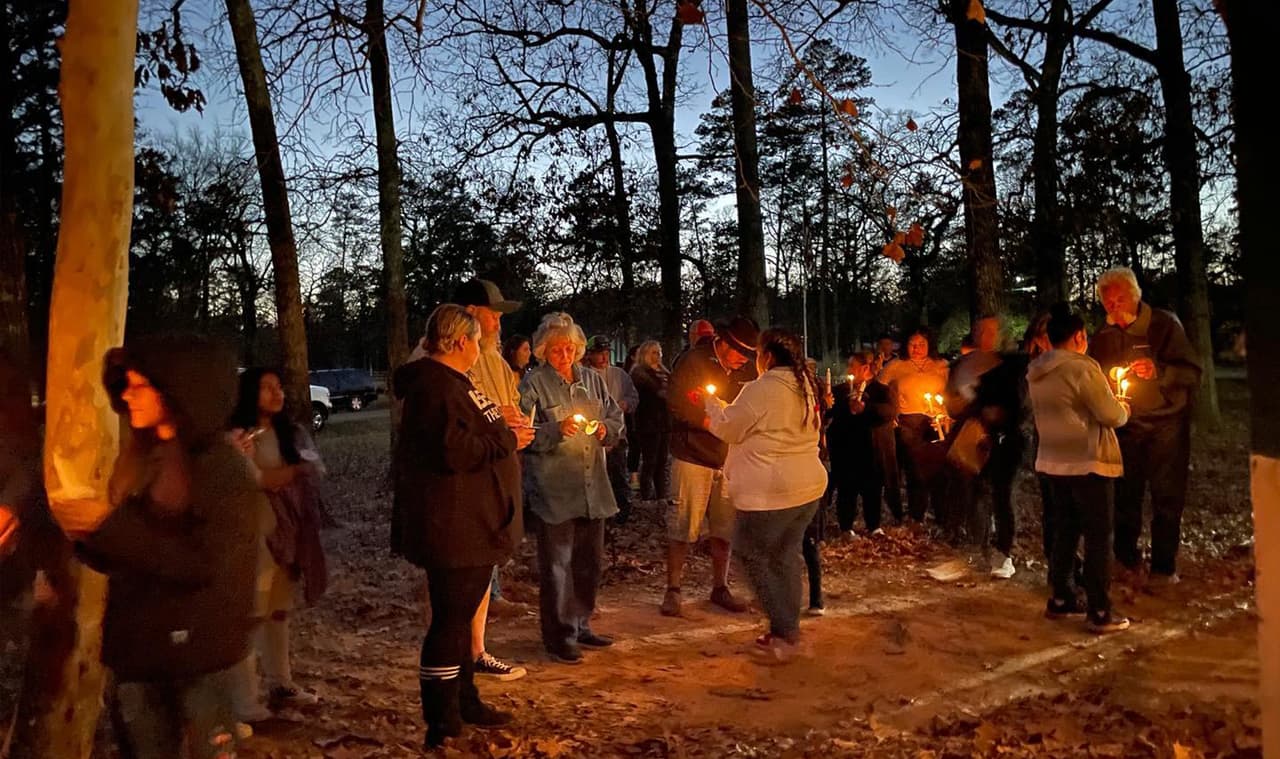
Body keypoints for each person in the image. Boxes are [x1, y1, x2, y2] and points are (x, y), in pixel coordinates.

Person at [70, 335, 260, 758]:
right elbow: (134, 550)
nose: (128, 395)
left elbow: (201, 562)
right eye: (126, 385)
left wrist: (108, 528)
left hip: (197, 659)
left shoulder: (221, 470)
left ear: (179, 391)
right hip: (140, 655)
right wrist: (86, 535)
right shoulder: (145, 459)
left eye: (140, 386)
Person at [391, 304, 534, 747]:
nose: (479, 347)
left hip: (475, 522)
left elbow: (469, 434)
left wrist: (503, 427)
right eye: (476, 340)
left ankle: (466, 700)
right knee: (450, 622)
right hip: (454, 527)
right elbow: (454, 450)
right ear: (459, 341)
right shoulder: (435, 387)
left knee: (460, 619)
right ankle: (442, 720)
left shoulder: (456, 383)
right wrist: (507, 439)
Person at [700, 328, 828, 660]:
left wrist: (712, 407)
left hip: (772, 491)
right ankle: (788, 629)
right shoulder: (805, 386)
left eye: (757, 354)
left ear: (767, 356)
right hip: (806, 488)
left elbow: (730, 428)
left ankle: (783, 633)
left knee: (751, 553)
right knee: (784, 556)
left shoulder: (762, 388)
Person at [518, 313, 624, 664]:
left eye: (569, 348)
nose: (564, 355)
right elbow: (522, 433)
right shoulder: (533, 384)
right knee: (557, 566)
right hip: (555, 489)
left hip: (593, 488)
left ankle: (581, 623)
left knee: (588, 562)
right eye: (556, 349)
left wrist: (606, 430)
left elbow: (615, 417)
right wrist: (554, 430)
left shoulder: (592, 380)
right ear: (543, 351)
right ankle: (559, 635)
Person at [1088, 267, 1201, 586]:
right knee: (1125, 495)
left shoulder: (1164, 325)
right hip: (1126, 425)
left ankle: (1163, 567)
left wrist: (1159, 372)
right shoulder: (1105, 336)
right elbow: (1094, 374)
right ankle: (1126, 559)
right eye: (1108, 303)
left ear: (1135, 296)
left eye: (1120, 299)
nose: (1115, 307)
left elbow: (1192, 372)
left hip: (1167, 423)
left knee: (1167, 496)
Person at [228, 367, 328, 716]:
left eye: (279, 386)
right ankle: (245, 698)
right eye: (267, 387)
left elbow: (314, 470)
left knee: (280, 609)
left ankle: (281, 682)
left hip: (288, 534)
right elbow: (259, 480)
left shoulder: (290, 434)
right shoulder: (238, 438)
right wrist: (296, 471)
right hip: (254, 536)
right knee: (252, 614)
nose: (277, 393)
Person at [1027, 304, 1131, 634]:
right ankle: (1100, 609)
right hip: (1087, 461)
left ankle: (1062, 596)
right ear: (1078, 336)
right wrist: (1124, 407)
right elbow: (1109, 414)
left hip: (1054, 459)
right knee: (1098, 536)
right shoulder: (1082, 368)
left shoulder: (1036, 370)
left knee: (1066, 530)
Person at [453, 278, 528, 681]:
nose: (498, 323)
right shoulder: (443, 363)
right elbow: (456, 425)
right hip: (463, 485)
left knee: (483, 566)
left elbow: (509, 407)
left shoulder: (495, 360)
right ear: (469, 314)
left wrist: (518, 425)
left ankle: (477, 649)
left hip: (495, 476)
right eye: (492, 314)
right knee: (459, 574)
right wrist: (500, 420)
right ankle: (454, 658)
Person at [662, 316, 760, 618]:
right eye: (740, 353)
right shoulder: (693, 361)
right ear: (724, 343)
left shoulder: (745, 371)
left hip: (728, 458)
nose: (743, 360)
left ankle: (720, 586)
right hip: (691, 455)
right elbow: (676, 403)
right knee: (682, 524)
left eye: (748, 355)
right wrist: (710, 422)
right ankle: (673, 588)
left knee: (724, 527)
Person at [944, 316, 1027, 579]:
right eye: (981, 331)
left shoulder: (1013, 365)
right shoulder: (961, 365)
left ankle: (1004, 551)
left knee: (1002, 494)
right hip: (972, 438)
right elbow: (952, 402)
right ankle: (977, 545)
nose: (985, 336)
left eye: (992, 331)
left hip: (1005, 438)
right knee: (974, 492)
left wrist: (1000, 415)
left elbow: (1022, 404)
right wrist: (960, 407)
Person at [877, 328, 949, 524]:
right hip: (909, 420)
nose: (917, 348)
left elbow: (950, 392)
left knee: (937, 468)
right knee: (915, 467)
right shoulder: (897, 365)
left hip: (936, 421)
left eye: (921, 344)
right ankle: (916, 513)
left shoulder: (941, 365)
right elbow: (879, 387)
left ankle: (941, 513)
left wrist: (946, 414)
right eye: (912, 344)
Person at [826, 351, 900, 537]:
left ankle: (873, 524)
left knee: (872, 488)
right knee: (847, 489)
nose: (848, 370)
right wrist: (828, 404)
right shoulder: (840, 391)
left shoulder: (881, 391)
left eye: (852, 366)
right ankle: (846, 526)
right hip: (847, 448)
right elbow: (830, 413)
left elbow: (889, 412)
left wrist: (866, 408)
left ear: (865, 368)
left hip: (872, 449)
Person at [584, 335, 640, 524]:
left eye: (607, 353)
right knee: (595, 478)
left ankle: (621, 512)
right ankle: (598, 514)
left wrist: (626, 404)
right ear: (590, 354)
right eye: (600, 353)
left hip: (617, 435)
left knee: (618, 475)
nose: (604, 357)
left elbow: (634, 397)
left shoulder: (620, 375)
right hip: (592, 438)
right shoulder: (583, 376)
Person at [630, 340, 672, 502]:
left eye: (659, 352)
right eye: (654, 352)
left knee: (662, 460)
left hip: (664, 421)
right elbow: (652, 392)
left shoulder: (665, 373)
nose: (658, 356)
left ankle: (661, 495)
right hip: (648, 422)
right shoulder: (640, 374)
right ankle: (646, 495)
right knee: (650, 460)